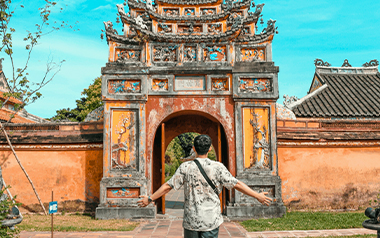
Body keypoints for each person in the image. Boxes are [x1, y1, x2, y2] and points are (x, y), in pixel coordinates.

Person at [138, 134, 272, 238]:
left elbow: (168, 186)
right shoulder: (218, 167)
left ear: (194, 149)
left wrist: (149, 199)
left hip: (192, 221)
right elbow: (237, 184)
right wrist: (257, 196)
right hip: (211, 220)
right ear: (209, 149)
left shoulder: (186, 167)